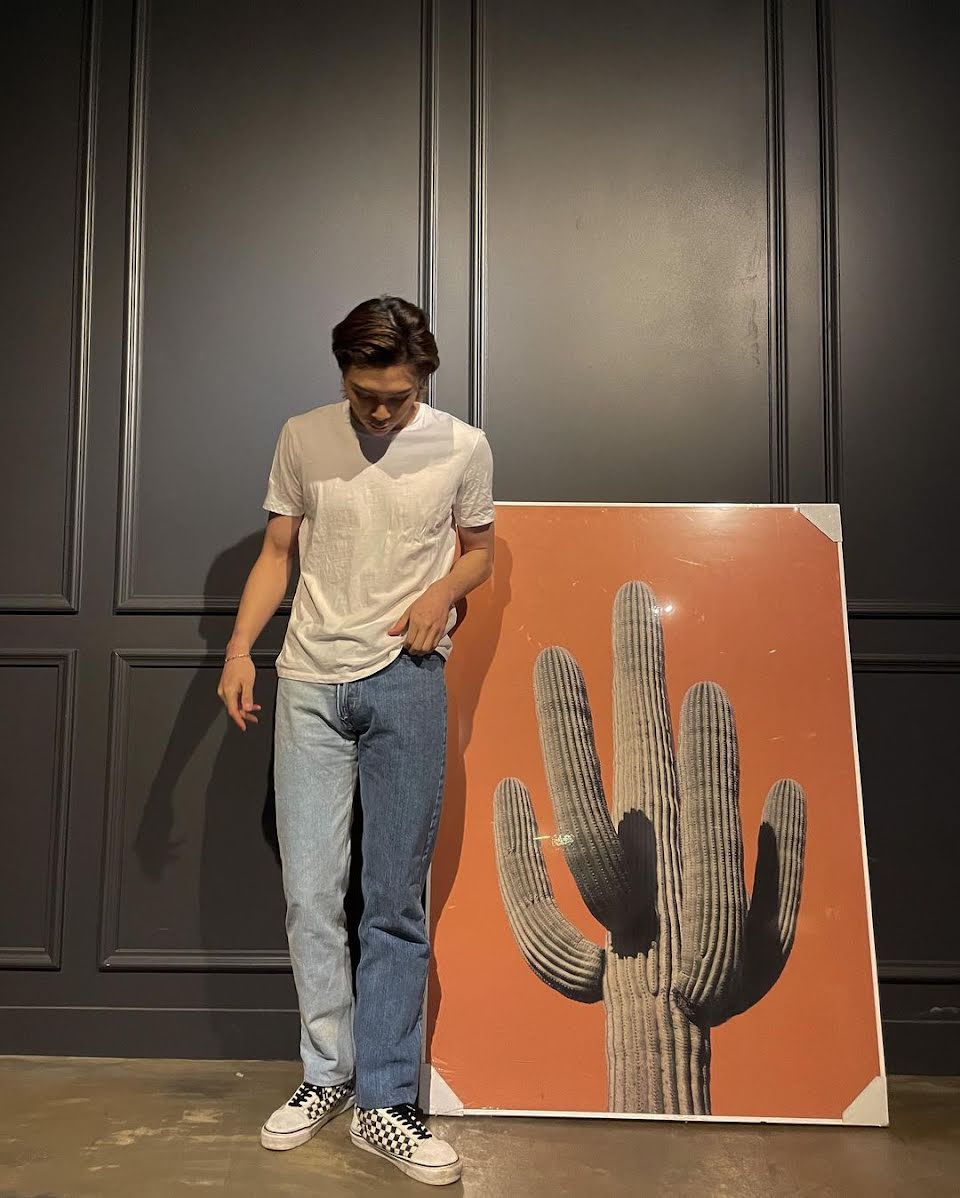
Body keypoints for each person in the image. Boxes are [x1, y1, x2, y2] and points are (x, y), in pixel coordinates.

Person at [216, 295, 494, 1186]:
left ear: (424, 380)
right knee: (310, 897)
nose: (378, 411)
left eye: (396, 397)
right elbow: (276, 551)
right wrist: (239, 650)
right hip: (307, 682)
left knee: (392, 904)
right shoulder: (302, 437)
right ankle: (326, 1075)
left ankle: (386, 1101)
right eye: (363, 394)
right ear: (342, 373)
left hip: (406, 680)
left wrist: (442, 593)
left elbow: (481, 551)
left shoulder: (463, 446)